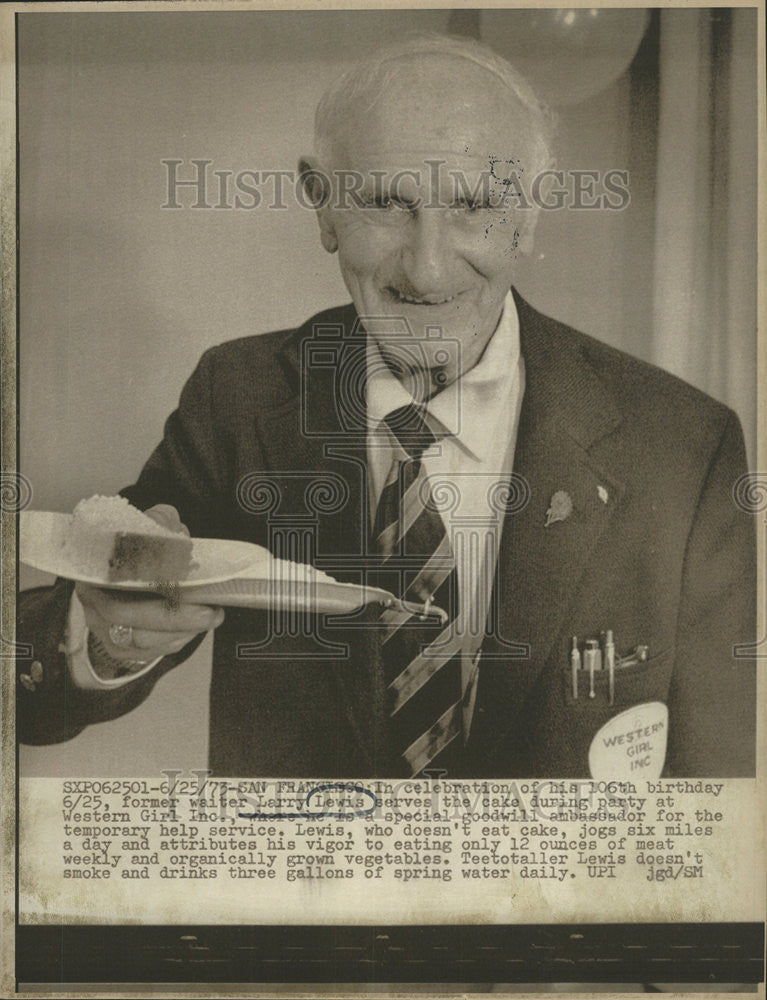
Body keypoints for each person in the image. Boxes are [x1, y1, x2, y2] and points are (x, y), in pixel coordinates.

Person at [17, 34, 755, 778]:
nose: (427, 267)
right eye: (383, 203)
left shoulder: (684, 447)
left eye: (473, 207)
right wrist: (110, 637)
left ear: (530, 215)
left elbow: (715, 811)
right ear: (322, 203)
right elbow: (46, 682)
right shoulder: (238, 396)